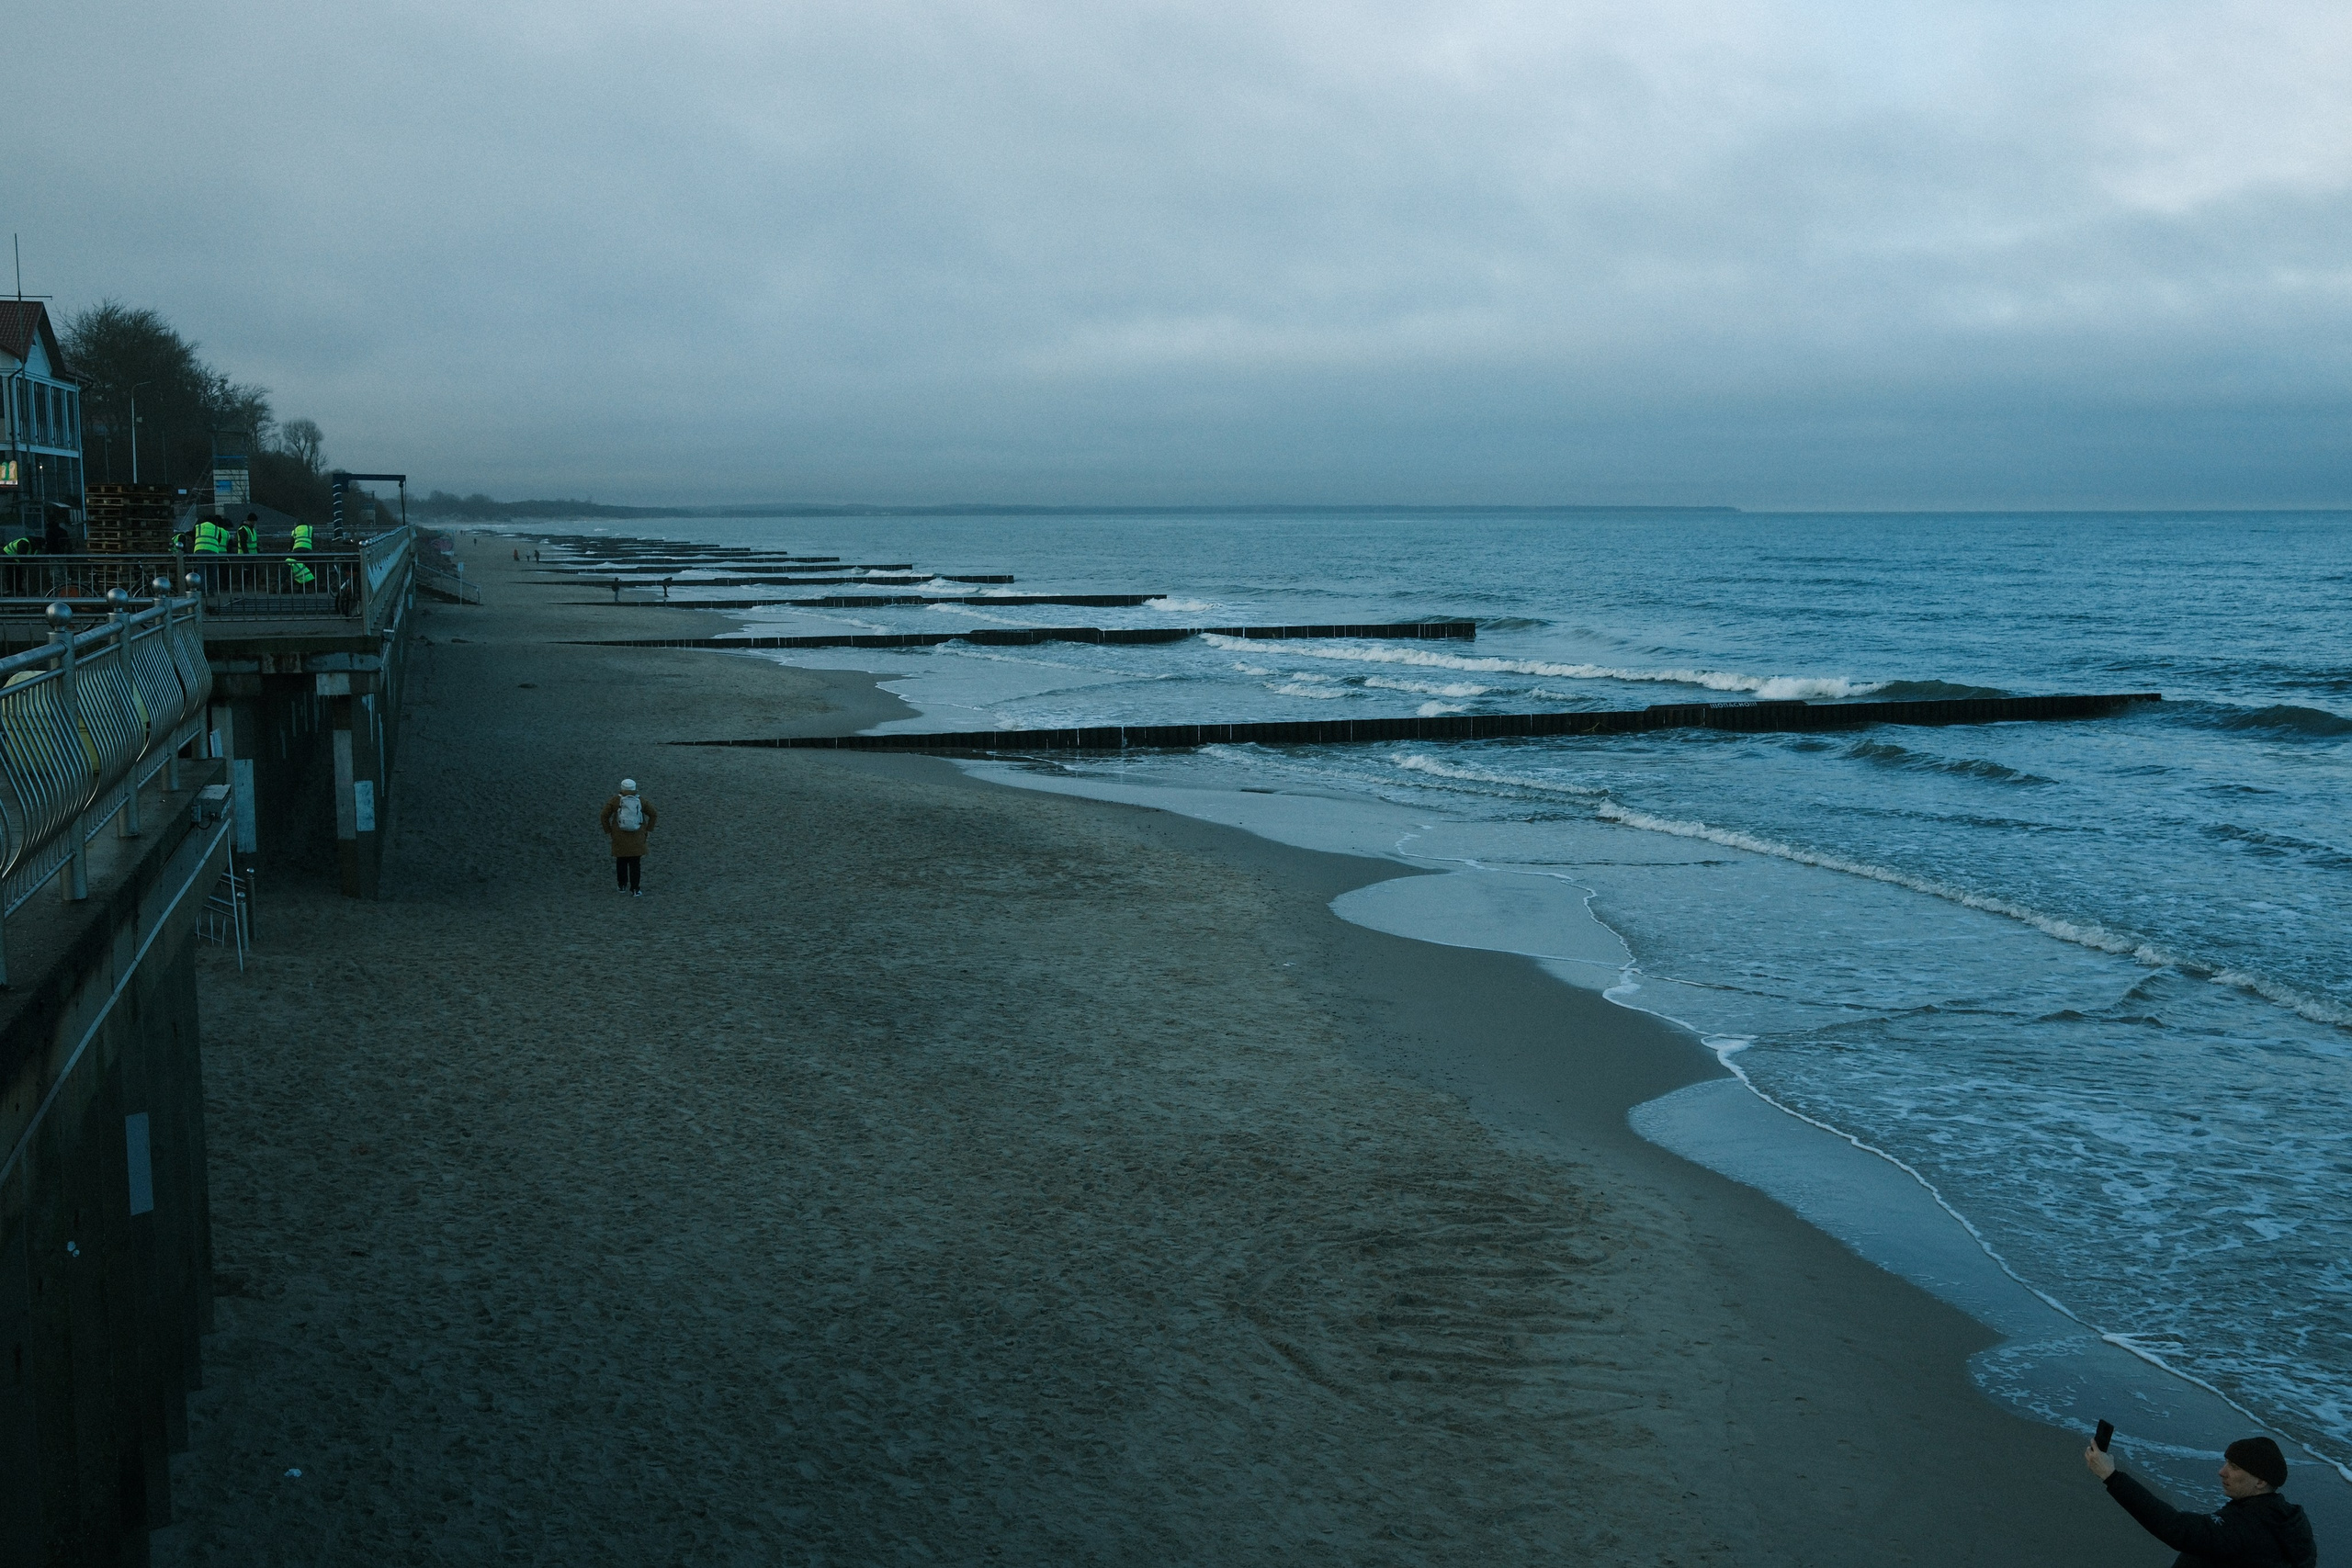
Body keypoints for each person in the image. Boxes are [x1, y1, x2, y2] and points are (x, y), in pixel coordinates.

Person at [2086, 1435, 2315, 1566]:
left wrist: (2112, 1476)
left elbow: (2175, 1527)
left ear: (2261, 1482)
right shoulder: (2292, 1521)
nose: (2221, 1472)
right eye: (2226, 1463)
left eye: (2234, 1467)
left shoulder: (2244, 1528)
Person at [599, 779, 657, 896]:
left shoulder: (616, 800)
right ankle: (635, 889)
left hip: (619, 836)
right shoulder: (640, 800)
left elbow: (604, 815)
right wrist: (648, 829)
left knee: (621, 861)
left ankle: (622, 885)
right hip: (637, 837)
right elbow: (653, 813)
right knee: (635, 864)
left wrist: (609, 830)